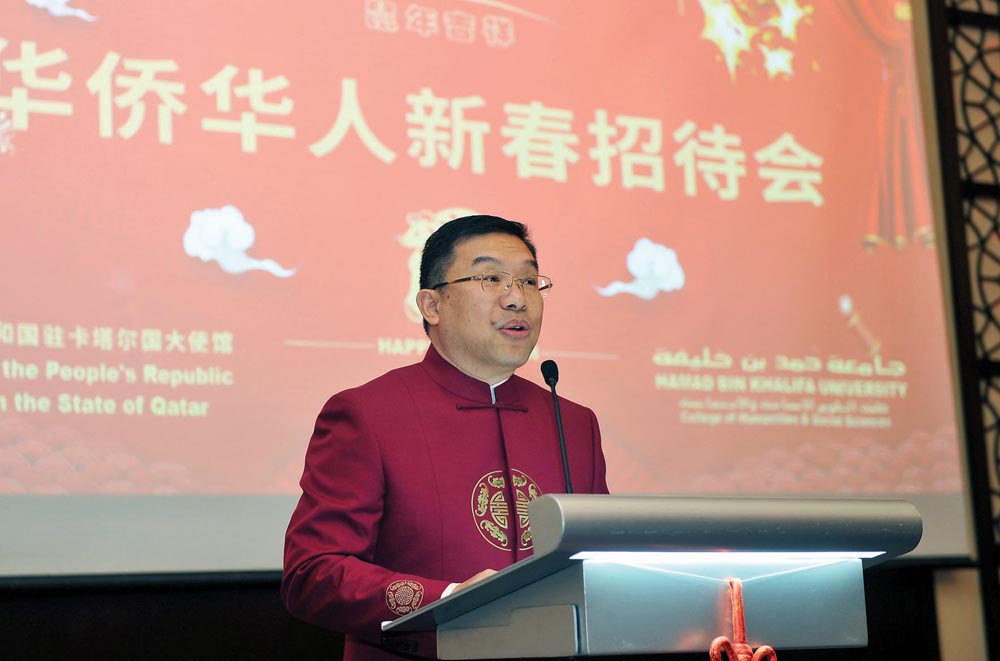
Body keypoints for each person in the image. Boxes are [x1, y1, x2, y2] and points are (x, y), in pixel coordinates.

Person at [282, 215, 609, 661]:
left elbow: (599, 561)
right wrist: (449, 599)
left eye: (530, 281)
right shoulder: (369, 413)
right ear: (431, 305)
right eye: (491, 278)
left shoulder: (573, 422)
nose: (517, 299)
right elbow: (313, 574)